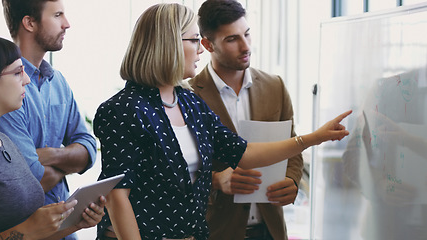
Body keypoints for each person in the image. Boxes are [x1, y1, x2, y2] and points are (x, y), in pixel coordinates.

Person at [93, 3, 351, 240]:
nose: (200, 50)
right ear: (168, 44)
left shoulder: (189, 102)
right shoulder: (122, 109)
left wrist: (314, 138)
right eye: (194, 41)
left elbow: (244, 152)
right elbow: (118, 196)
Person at [0, 33, 105, 240]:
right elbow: (27, 233)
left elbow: (32, 236)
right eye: (17, 73)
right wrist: (29, 228)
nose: (26, 80)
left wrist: (73, 224)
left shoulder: (4, 142)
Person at [189, 1, 301, 239]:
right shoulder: (188, 95)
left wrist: (292, 180)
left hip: (270, 229)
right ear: (208, 44)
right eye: (232, 39)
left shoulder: (275, 86)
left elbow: (292, 147)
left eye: (247, 34)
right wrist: (215, 181)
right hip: (215, 230)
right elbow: (175, 168)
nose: (246, 46)